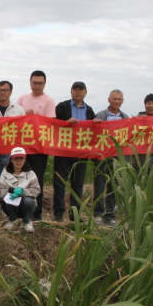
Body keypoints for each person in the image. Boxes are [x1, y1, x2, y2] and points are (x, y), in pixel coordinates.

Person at [53, 81, 100, 222]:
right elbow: (53, 125)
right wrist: (66, 122)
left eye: (81, 90)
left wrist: (96, 123)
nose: (78, 92)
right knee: (59, 183)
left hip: (81, 153)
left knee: (77, 185)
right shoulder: (62, 107)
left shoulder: (89, 110)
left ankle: (75, 214)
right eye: (75, 89)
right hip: (63, 151)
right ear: (71, 92)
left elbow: (93, 131)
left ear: (85, 92)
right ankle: (58, 214)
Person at [16, 70, 56, 221]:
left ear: (44, 84)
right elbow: (15, 120)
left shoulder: (49, 100)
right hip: (23, 147)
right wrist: (26, 115)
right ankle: (20, 212)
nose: (37, 86)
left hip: (39, 147)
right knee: (20, 178)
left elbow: (51, 123)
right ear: (30, 83)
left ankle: (36, 213)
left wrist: (36, 118)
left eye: (40, 83)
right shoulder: (22, 98)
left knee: (37, 179)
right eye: (34, 83)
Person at [93, 89, 129, 227]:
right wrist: (95, 123)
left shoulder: (125, 117)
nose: (117, 101)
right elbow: (94, 134)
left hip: (117, 157)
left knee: (114, 186)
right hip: (102, 156)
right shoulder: (101, 115)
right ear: (109, 100)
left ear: (122, 101)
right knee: (99, 185)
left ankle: (109, 216)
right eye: (114, 99)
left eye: (119, 99)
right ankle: (98, 214)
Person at [0, 147, 40, 232]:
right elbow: (0, 190)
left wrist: (22, 192)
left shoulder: (31, 173)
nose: (18, 161)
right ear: (11, 160)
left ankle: (27, 221)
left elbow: (36, 190)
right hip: (10, 206)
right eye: (16, 159)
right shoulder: (5, 172)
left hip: (27, 205)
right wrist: (12, 191)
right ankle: (12, 219)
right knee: (10, 199)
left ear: (25, 160)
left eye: (21, 158)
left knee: (28, 201)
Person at [0, 80, 26, 176]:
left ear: (10, 92)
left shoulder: (19, 110)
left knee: (10, 176)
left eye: (5, 90)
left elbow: (24, 129)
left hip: (11, 149)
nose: (2, 92)